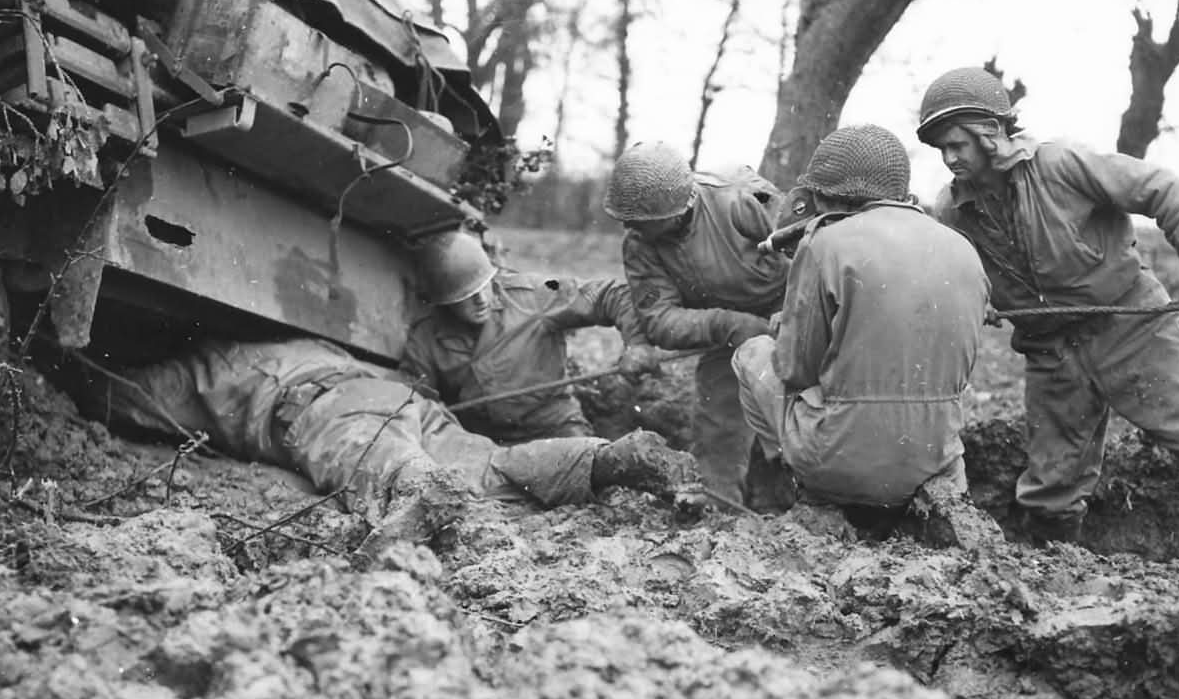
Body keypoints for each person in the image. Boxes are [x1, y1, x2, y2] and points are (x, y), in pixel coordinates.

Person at [919, 65, 1179, 544]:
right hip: (1051, 352)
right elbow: (949, 276)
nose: (949, 157)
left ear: (991, 132)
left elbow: (1165, 190)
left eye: (957, 144)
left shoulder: (1062, 163)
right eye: (941, 148)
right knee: (1050, 491)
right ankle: (1055, 578)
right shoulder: (950, 210)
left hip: (1131, 329)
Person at [92, 338, 694, 528]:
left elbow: (129, 396)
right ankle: (605, 460)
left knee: (382, 462)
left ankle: (423, 490)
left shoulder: (207, 365)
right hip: (401, 396)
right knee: (490, 464)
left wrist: (73, 382)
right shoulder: (312, 340)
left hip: (334, 408)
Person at [731, 125, 990, 522]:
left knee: (751, 355)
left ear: (825, 196)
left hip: (838, 461)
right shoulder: (963, 248)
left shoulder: (824, 245)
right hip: (936, 461)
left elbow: (794, 369)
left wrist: (790, 329)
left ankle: (804, 492)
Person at [603, 141, 790, 504]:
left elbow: (810, 250)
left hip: (791, 311)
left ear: (674, 212)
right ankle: (721, 504)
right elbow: (661, 320)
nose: (628, 225)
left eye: (638, 219)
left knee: (801, 404)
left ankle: (802, 497)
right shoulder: (640, 245)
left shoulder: (739, 201)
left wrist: (794, 317)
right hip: (727, 328)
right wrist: (730, 325)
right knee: (719, 412)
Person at [400, 231, 657, 443]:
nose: (480, 300)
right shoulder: (426, 338)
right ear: (444, 303)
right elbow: (416, 405)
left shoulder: (534, 295)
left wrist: (638, 344)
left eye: (483, 286)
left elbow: (609, 295)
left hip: (553, 427)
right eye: (465, 297)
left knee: (589, 470)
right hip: (479, 442)